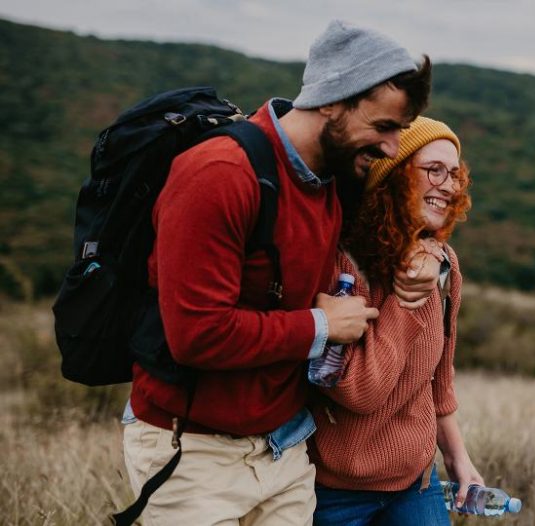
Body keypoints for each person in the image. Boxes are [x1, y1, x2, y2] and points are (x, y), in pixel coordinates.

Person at [120, 20, 438, 525]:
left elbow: (404, 219)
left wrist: (423, 257)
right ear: (331, 100)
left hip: (286, 450)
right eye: (383, 127)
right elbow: (197, 335)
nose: (391, 148)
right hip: (192, 454)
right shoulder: (220, 175)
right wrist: (321, 326)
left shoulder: (332, 177)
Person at [307, 117, 484, 525]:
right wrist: (407, 302)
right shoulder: (342, 266)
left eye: (455, 174)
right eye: (433, 170)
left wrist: (459, 461)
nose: (449, 185)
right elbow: (360, 392)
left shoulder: (443, 264)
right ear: (394, 176)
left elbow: (439, 380)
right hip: (335, 492)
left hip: (416, 485)